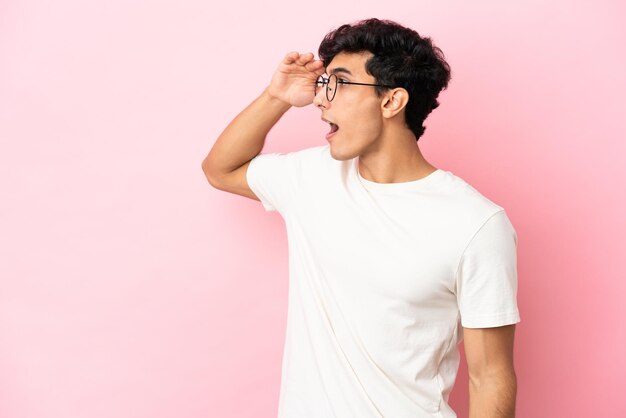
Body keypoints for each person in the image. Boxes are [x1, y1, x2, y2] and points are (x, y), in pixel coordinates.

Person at [202, 18, 520, 418]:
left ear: (391, 101)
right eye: (324, 84)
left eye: (338, 83)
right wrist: (276, 96)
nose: (320, 100)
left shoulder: (476, 224)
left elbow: (489, 377)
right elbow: (221, 169)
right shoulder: (312, 178)